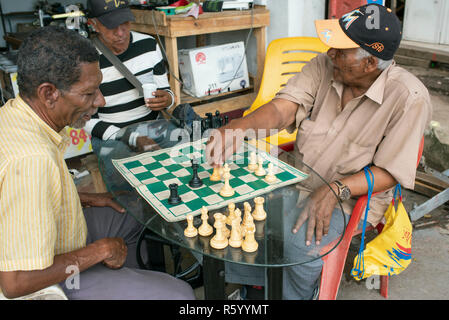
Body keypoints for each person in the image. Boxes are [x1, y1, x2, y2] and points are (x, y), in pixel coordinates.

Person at [206, 3, 432, 299]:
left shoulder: (409, 98)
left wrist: (337, 189)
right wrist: (240, 126)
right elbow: (283, 110)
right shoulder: (323, 66)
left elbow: (391, 170)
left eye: (341, 50)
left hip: (354, 198)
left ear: (370, 63)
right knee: (220, 215)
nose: (330, 54)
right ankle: (264, 285)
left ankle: (295, 294)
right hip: (295, 177)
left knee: (301, 242)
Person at [0, 26, 195, 300]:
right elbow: (16, 283)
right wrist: (100, 251)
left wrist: (87, 198)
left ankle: (128, 281)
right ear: (48, 93)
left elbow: (21, 200)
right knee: (180, 295)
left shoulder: (15, 114)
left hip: (57, 238)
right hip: (47, 282)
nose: (100, 101)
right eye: (89, 93)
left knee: (133, 207)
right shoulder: (31, 159)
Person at [84, 0, 177, 152]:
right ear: (93, 24)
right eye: (111, 26)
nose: (120, 33)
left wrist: (167, 99)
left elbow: (166, 92)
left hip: (153, 129)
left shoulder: (149, 45)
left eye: (124, 22)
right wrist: (132, 137)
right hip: (112, 137)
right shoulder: (85, 60)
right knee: (127, 171)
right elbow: (84, 120)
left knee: (185, 159)